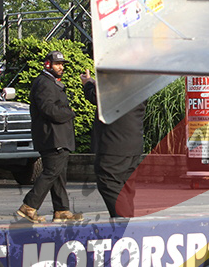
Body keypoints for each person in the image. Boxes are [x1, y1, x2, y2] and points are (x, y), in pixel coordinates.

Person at [17, 51, 83, 223]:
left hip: (57, 137)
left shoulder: (50, 82)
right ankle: (29, 206)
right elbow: (49, 109)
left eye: (62, 64)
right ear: (47, 64)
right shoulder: (44, 83)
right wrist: (70, 112)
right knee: (51, 172)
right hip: (52, 137)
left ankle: (62, 210)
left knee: (58, 174)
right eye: (57, 64)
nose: (61, 67)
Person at [81, 69, 146, 218]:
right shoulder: (140, 83)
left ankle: (123, 221)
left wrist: (88, 84)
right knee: (126, 186)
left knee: (108, 181)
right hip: (134, 142)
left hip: (114, 142)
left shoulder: (118, 81)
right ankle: (128, 220)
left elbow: (97, 98)